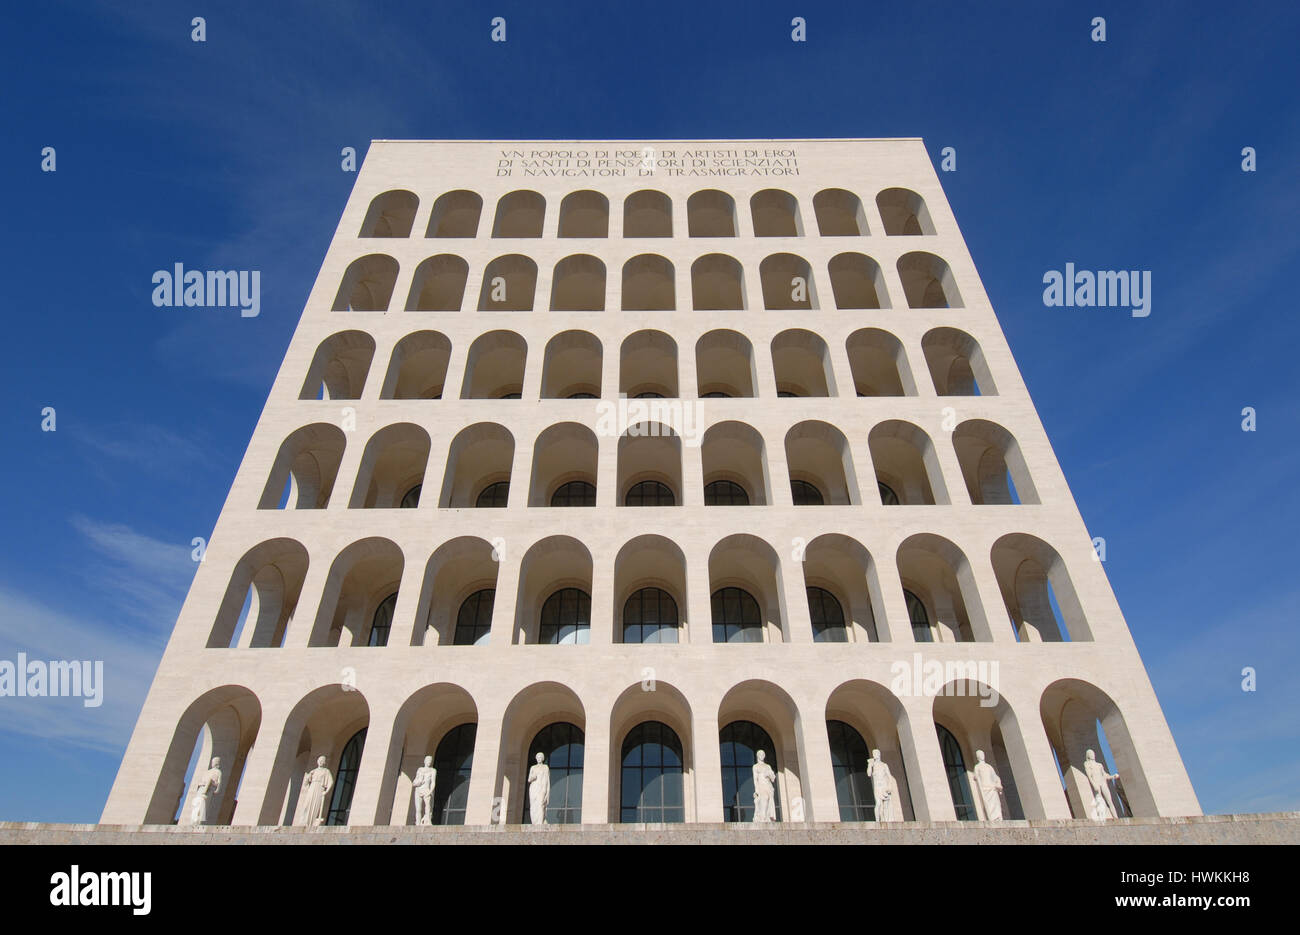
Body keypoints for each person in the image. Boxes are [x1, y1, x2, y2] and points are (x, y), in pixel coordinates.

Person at [751, 750, 777, 822]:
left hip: (768, 785)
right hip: (761, 785)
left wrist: (769, 774)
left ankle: (767, 818)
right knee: (764, 799)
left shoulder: (768, 766)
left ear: (764, 756)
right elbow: (755, 779)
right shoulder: (755, 766)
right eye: (760, 754)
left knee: (769, 799)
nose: (761, 755)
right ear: (757, 756)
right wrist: (756, 790)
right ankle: (763, 817)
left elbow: (773, 778)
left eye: (763, 754)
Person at [412, 755, 437, 825]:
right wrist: (419, 782)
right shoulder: (420, 769)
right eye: (428, 760)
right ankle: (418, 823)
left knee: (428, 806)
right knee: (418, 809)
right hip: (418, 789)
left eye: (430, 761)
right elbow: (414, 782)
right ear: (425, 761)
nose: (429, 762)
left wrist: (430, 791)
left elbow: (433, 782)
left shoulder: (433, 770)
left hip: (427, 790)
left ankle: (428, 820)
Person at [527, 752, 550, 825]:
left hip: (542, 788)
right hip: (534, 788)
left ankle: (540, 823)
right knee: (533, 806)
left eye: (540, 757)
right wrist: (533, 776)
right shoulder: (533, 767)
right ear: (536, 758)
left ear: (542, 759)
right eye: (538, 757)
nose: (539, 758)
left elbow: (547, 780)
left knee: (541, 804)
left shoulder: (545, 767)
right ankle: (534, 822)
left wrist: (547, 791)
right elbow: (529, 779)